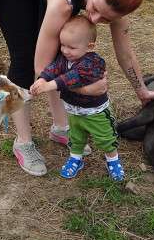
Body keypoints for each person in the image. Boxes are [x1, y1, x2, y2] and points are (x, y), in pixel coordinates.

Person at [0, 0, 154, 177]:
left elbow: (125, 53)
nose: (96, 20)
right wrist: (84, 90)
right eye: (96, 9)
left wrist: (141, 91)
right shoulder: (64, 1)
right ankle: (23, 142)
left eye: (106, 19)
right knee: (24, 61)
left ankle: (61, 128)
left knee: (65, 52)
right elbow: (41, 68)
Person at [30, 15, 124, 181]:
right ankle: (75, 158)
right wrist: (43, 78)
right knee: (76, 137)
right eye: (63, 45)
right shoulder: (65, 59)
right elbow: (53, 68)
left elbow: (72, 77)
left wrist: (50, 85)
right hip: (73, 111)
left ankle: (113, 160)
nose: (65, 51)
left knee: (105, 137)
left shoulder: (93, 62)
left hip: (95, 112)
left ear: (89, 46)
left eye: (71, 47)